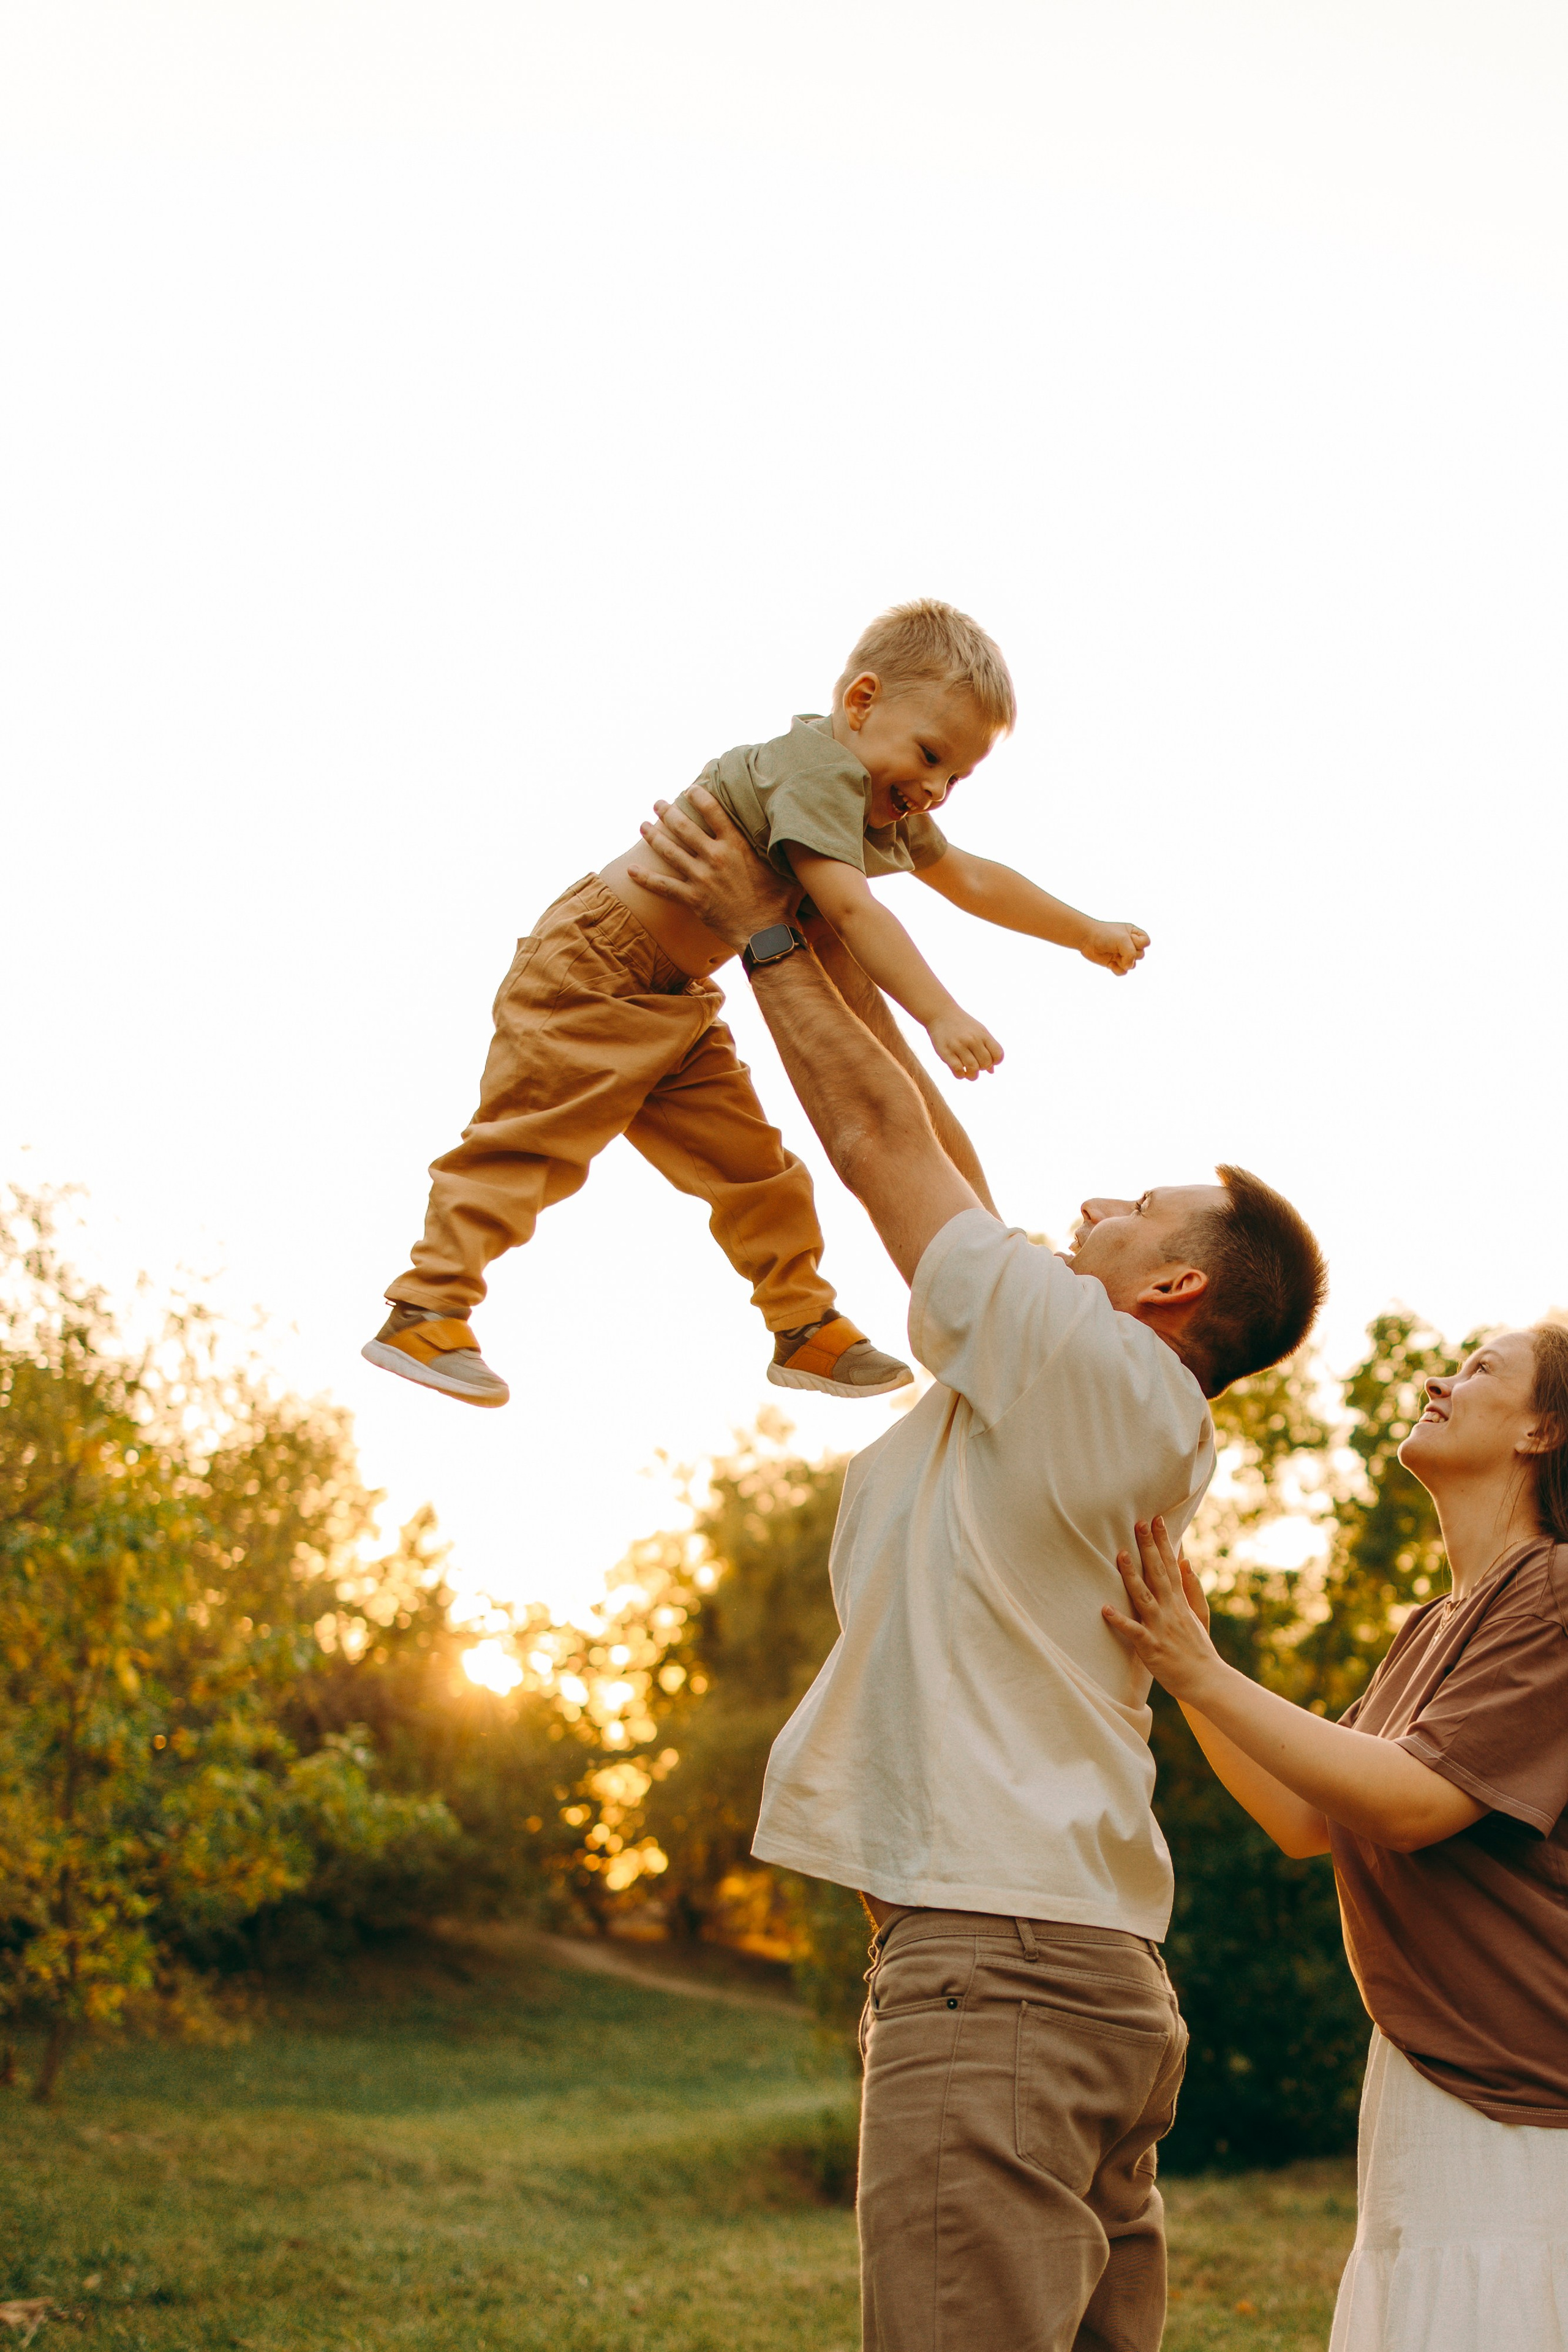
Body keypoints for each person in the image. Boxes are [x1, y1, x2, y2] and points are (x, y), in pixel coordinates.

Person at [626, 785, 1325, 2352]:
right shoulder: (1076, 1389)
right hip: (1066, 1975)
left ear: (1174, 1281)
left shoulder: (1104, 1379)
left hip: (1001, 1985)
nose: (1087, 1204)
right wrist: (830, 927)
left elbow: (880, 1147)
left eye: (1131, 1205)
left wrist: (752, 936)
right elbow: (942, 1150)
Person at [363, 598, 1148, 1409]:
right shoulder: (817, 774)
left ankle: (803, 1326)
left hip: (677, 997)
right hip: (592, 971)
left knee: (758, 1171)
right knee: (531, 1142)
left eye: (959, 775)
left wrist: (1083, 931)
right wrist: (939, 1013)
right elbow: (850, 912)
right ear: (861, 701)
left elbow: (976, 879)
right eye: (931, 755)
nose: (939, 787)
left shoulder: (877, 799)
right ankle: (428, 1306)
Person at [1102, 1324, 1568, 2352]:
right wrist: (1191, 1661)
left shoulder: (1558, 1591)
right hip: (1429, 2069)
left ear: (1544, 1430)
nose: (1441, 1378)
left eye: (1482, 1369)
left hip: (1525, 2096)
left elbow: (1412, 1803)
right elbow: (1308, 1817)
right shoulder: (1432, 1628)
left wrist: (1201, 1673)